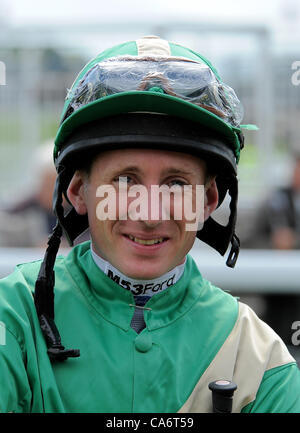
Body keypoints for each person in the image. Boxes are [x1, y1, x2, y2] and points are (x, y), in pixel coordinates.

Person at [0, 35, 299, 414]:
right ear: (78, 192)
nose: (150, 213)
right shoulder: (12, 317)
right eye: (125, 181)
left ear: (207, 202)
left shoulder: (261, 360)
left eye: (176, 184)